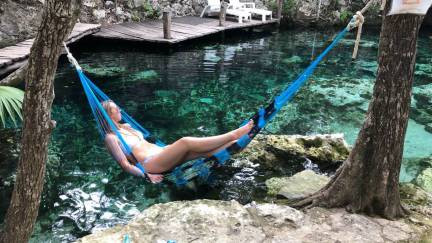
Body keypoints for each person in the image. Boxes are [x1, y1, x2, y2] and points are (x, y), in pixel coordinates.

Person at [102, 100, 254, 183]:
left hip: (161, 152)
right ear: (109, 114)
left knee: (199, 152)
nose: (120, 110)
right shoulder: (111, 138)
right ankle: (233, 134)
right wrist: (146, 176)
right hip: (151, 163)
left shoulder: (127, 127)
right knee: (186, 142)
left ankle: (233, 145)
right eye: (116, 109)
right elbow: (124, 164)